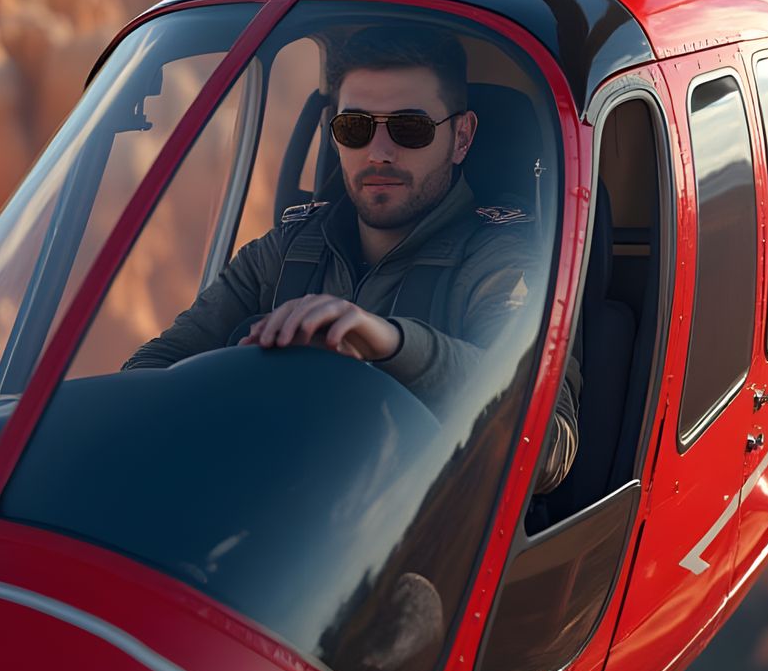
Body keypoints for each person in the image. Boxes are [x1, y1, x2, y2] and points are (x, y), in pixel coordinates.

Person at [124, 27, 580, 493]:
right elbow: (148, 375)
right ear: (334, 136)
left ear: (461, 138)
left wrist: (393, 347)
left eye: (410, 128)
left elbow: (549, 449)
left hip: (411, 551)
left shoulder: (509, 267)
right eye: (355, 127)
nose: (378, 153)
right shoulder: (286, 250)